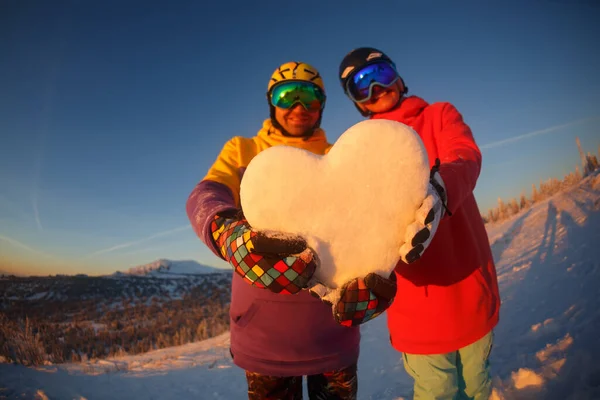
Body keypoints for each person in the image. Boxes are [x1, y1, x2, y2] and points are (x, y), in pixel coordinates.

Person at [187, 61, 382, 399]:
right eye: (287, 95)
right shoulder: (243, 151)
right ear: (271, 102)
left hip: (335, 331)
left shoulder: (340, 158)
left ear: (321, 104)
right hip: (266, 340)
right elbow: (206, 195)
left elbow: (367, 226)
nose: (298, 107)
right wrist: (225, 232)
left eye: (309, 96)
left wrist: (377, 269)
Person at [337, 47, 501, 399]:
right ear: (356, 101)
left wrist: (441, 190)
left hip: (470, 286)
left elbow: (465, 154)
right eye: (360, 85)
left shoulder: (439, 115)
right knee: (436, 390)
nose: (375, 89)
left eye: (380, 74)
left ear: (397, 76)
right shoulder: (359, 150)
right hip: (416, 305)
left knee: (477, 384)